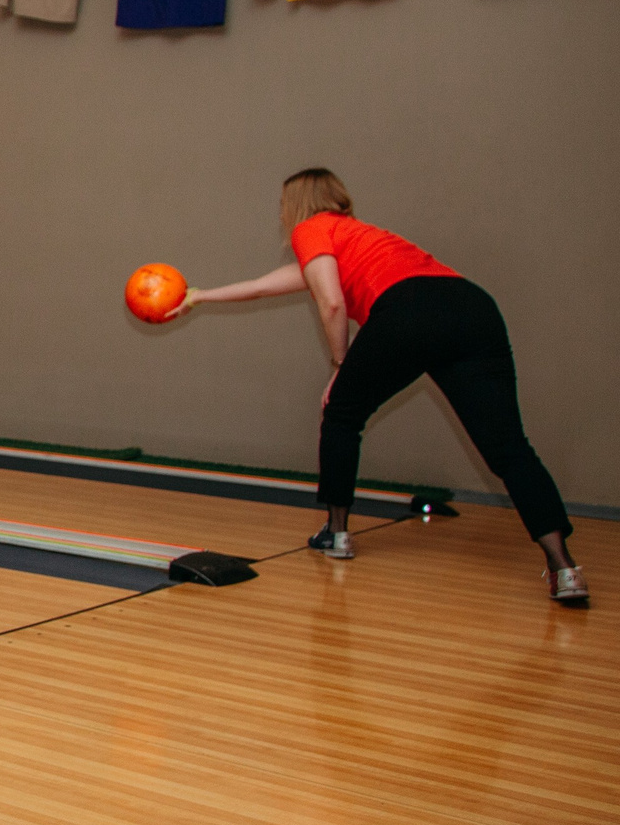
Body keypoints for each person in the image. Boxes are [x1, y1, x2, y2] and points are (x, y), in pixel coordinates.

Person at [175, 168, 585, 608]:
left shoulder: (312, 229)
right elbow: (262, 287)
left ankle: (336, 533)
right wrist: (198, 295)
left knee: (341, 414)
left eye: (282, 206)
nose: (281, 215)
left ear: (297, 205)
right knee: (508, 447)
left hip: (409, 309)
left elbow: (332, 303)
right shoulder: (357, 238)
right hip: (472, 308)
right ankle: (563, 568)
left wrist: (341, 364)